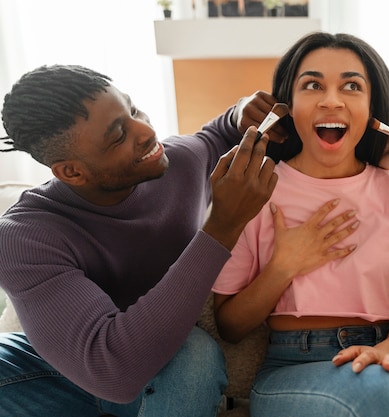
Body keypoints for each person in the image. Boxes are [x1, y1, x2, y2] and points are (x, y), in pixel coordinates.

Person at [0, 64, 282, 417]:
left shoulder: (178, 163)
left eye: (132, 109)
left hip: (160, 368)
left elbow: (217, 134)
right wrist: (223, 228)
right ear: (72, 171)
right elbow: (111, 370)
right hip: (53, 371)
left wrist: (240, 111)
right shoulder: (23, 236)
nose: (147, 131)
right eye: (118, 136)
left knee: (194, 352)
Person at [211, 32, 389, 417]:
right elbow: (229, 325)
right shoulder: (256, 192)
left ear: (372, 109)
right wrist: (284, 267)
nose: (332, 100)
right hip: (291, 367)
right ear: (289, 107)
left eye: (351, 86)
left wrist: (387, 354)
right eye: (312, 85)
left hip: (378, 360)